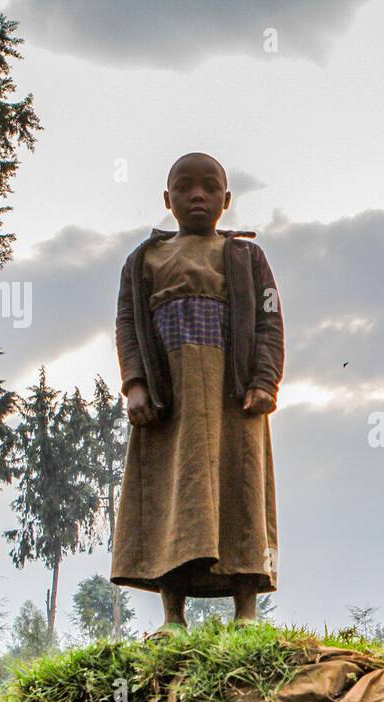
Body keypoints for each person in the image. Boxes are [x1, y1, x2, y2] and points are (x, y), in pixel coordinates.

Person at [110, 152, 283, 628]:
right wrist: (136, 385)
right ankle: (173, 616)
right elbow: (127, 324)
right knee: (175, 495)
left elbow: (269, 321)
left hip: (235, 398)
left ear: (226, 200)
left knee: (242, 490)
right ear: (168, 200)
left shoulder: (248, 257)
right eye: (185, 187)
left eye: (209, 187)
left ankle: (246, 611)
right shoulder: (144, 260)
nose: (197, 195)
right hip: (171, 401)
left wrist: (265, 380)